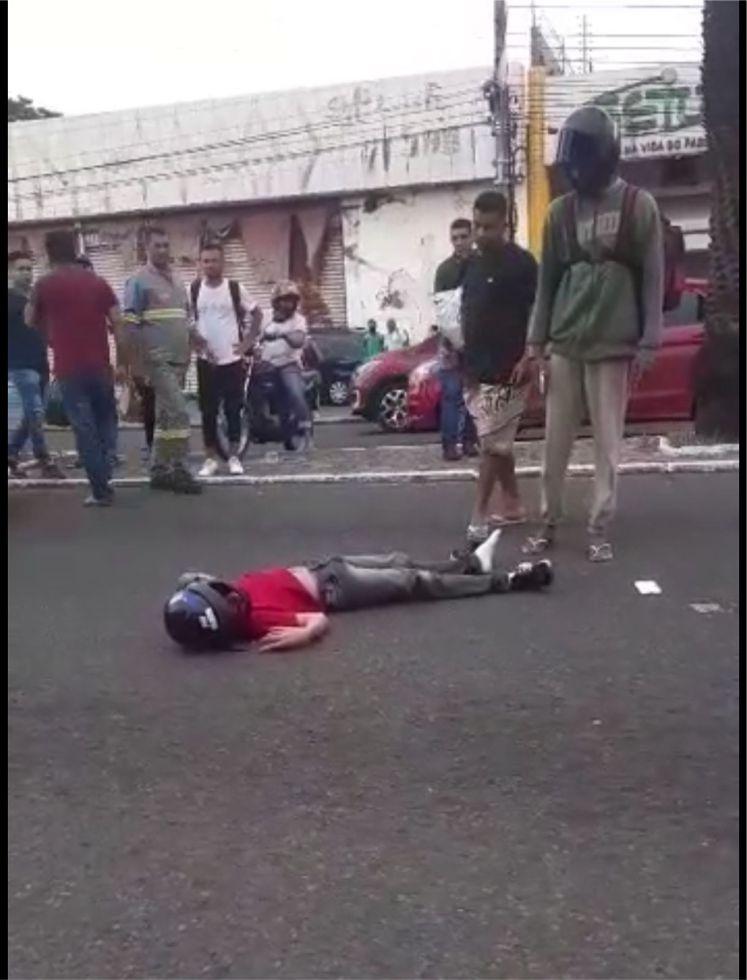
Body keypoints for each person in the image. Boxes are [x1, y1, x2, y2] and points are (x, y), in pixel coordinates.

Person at [516, 106, 664, 563]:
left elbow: (653, 275)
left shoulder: (639, 205)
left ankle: (599, 526)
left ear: (603, 154)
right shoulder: (559, 213)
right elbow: (547, 282)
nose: (574, 169)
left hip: (613, 344)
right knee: (554, 441)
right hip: (566, 342)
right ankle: (548, 522)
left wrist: (649, 340)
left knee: (608, 442)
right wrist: (535, 343)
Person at [163, 529, 554, 653]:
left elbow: (189, 578)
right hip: (336, 589)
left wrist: (191, 591)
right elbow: (315, 620)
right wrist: (304, 634)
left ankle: (470, 565)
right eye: (224, 599)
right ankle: (508, 581)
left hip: (326, 566)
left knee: (401, 561)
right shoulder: (254, 621)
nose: (230, 591)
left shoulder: (225, 595)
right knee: (412, 582)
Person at [460, 191, 538, 543]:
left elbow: (539, 312)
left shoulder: (523, 264)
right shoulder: (472, 265)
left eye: (487, 227)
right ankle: (513, 505)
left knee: (492, 443)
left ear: (504, 224)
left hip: (512, 365)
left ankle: (478, 514)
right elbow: (468, 313)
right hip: (478, 366)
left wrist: (531, 356)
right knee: (497, 441)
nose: (480, 234)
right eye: (476, 226)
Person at [25, 230, 122, 505]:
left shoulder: (43, 284)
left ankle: (101, 490)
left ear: (49, 252)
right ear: (73, 249)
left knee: (84, 428)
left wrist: (50, 332)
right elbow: (118, 322)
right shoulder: (97, 282)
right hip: (100, 365)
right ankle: (106, 467)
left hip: (69, 369)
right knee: (105, 420)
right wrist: (125, 361)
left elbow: (30, 319)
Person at [123, 227, 205, 494]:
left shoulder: (179, 281)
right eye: (157, 246)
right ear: (146, 249)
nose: (163, 250)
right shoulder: (138, 281)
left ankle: (159, 469)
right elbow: (130, 326)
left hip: (180, 359)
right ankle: (180, 469)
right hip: (156, 359)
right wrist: (136, 364)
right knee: (179, 412)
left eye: (166, 245)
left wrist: (197, 339)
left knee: (165, 417)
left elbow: (186, 318)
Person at [190, 242, 262, 477]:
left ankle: (233, 456)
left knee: (233, 409)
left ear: (223, 263)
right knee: (208, 411)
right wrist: (198, 344)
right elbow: (187, 322)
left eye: (214, 260)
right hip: (205, 361)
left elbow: (257, 313)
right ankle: (210, 459)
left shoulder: (234, 288)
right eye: (206, 261)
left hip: (231, 360)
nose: (210, 265)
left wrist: (246, 344)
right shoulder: (193, 289)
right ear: (200, 264)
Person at [7, 251, 64, 479]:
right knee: (37, 412)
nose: (26, 273)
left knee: (31, 414)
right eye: (21, 269)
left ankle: (11, 452)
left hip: (40, 363)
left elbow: (47, 330)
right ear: (11, 272)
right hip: (19, 365)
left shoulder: (36, 298)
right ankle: (44, 458)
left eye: (29, 269)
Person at [433, 218, 478, 461]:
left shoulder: (480, 264)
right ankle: (450, 445)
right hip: (450, 341)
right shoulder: (445, 270)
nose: (459, 242)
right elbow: (443, 307)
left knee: (473, 393)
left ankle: (471, 441)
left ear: (471, 237)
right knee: (451, 394)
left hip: (477, 338)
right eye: (455, 238)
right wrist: (451, 338)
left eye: (463, 236)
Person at [258, 281, 313, 452]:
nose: (287, 304)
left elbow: (299, 340)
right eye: (283, 300)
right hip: (265, 363)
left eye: (291, 300)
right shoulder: (265, 317)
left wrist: (283, 334)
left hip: (288, 363)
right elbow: (252, 334)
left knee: (295, 392)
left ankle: (306, 430)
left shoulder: (299, 320)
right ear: (275, 301)